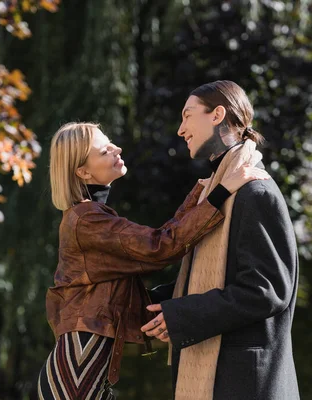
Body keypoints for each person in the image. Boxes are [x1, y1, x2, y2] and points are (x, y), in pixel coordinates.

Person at [38, 122, 269, 400]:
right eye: (104, 150)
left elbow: (154, 251)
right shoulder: (87, 220)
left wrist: (202, 193)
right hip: (74, 375)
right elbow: (161, 247)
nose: (117, 148)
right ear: (84, 172)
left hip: (80, 370)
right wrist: (221, 191)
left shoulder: (90, 216)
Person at [142, 81, 300, 400]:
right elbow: (214, 277)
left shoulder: (255, 192)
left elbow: (266, 291)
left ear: (217, 115)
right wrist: (150, 304)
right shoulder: (220, 191)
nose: (180, 129)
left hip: (246, 385)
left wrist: (182, 314)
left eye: (187, 116)